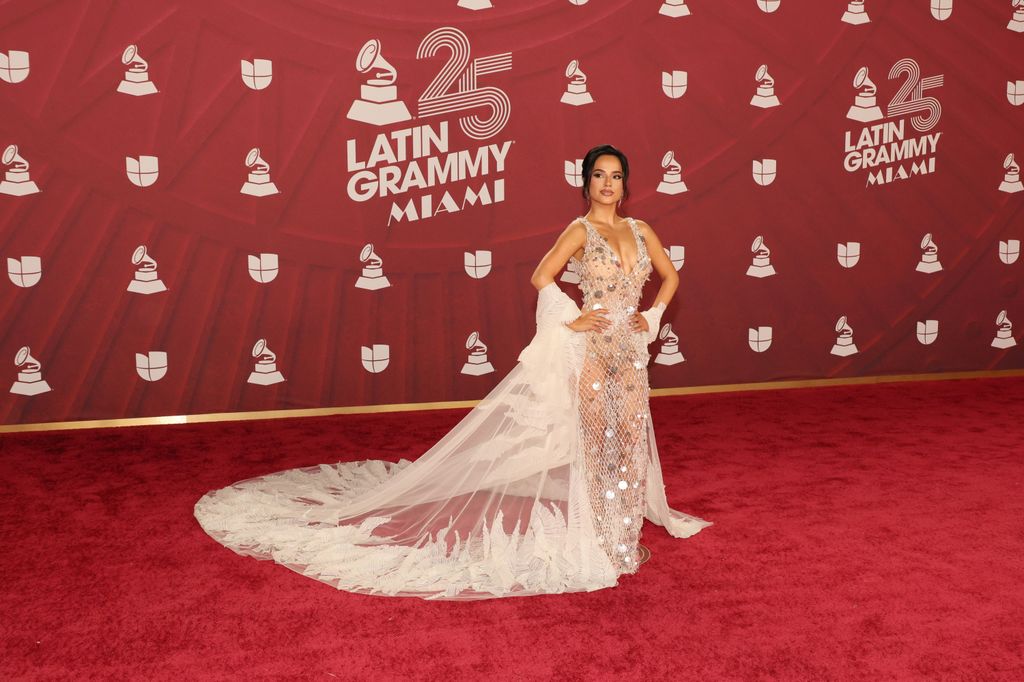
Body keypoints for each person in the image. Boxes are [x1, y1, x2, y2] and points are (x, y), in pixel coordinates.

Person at [194, 144, 711, 600]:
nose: (607, 183)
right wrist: (574, 318)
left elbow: (669, 276)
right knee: (597, 445)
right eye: (598, 175)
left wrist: (653, 315)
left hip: (632, 351)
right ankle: (606, 542)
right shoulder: (580, 230)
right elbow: (541, 276)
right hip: (596, 353)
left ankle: (626, 533)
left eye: (615, 175)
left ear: (625, 183)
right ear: (586, 183)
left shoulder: (641, 231)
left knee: (630, 440)